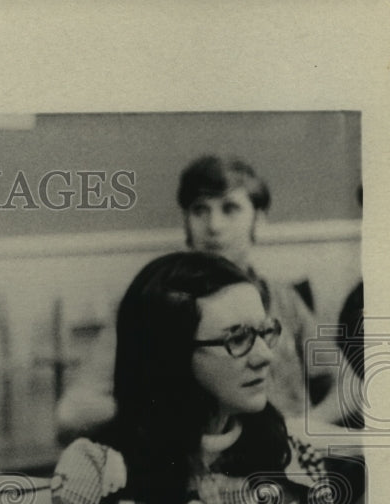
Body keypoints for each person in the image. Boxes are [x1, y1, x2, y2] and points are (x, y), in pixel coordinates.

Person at [0, 251, 349, 504]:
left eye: (265, 332)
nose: (265, 356)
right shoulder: (100, 467)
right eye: (237, 338)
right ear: (170, 356)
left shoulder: (293, 460)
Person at [56, 155, 330, 442]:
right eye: (200, 210)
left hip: (295, 457)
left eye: (230, 209)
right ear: (186, 222)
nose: (214, 226)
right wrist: (180, 410)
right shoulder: (156, 304)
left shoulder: (284, 299)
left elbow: (350, 388)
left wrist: (302, 426)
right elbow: (72, 413)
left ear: (258, 219)